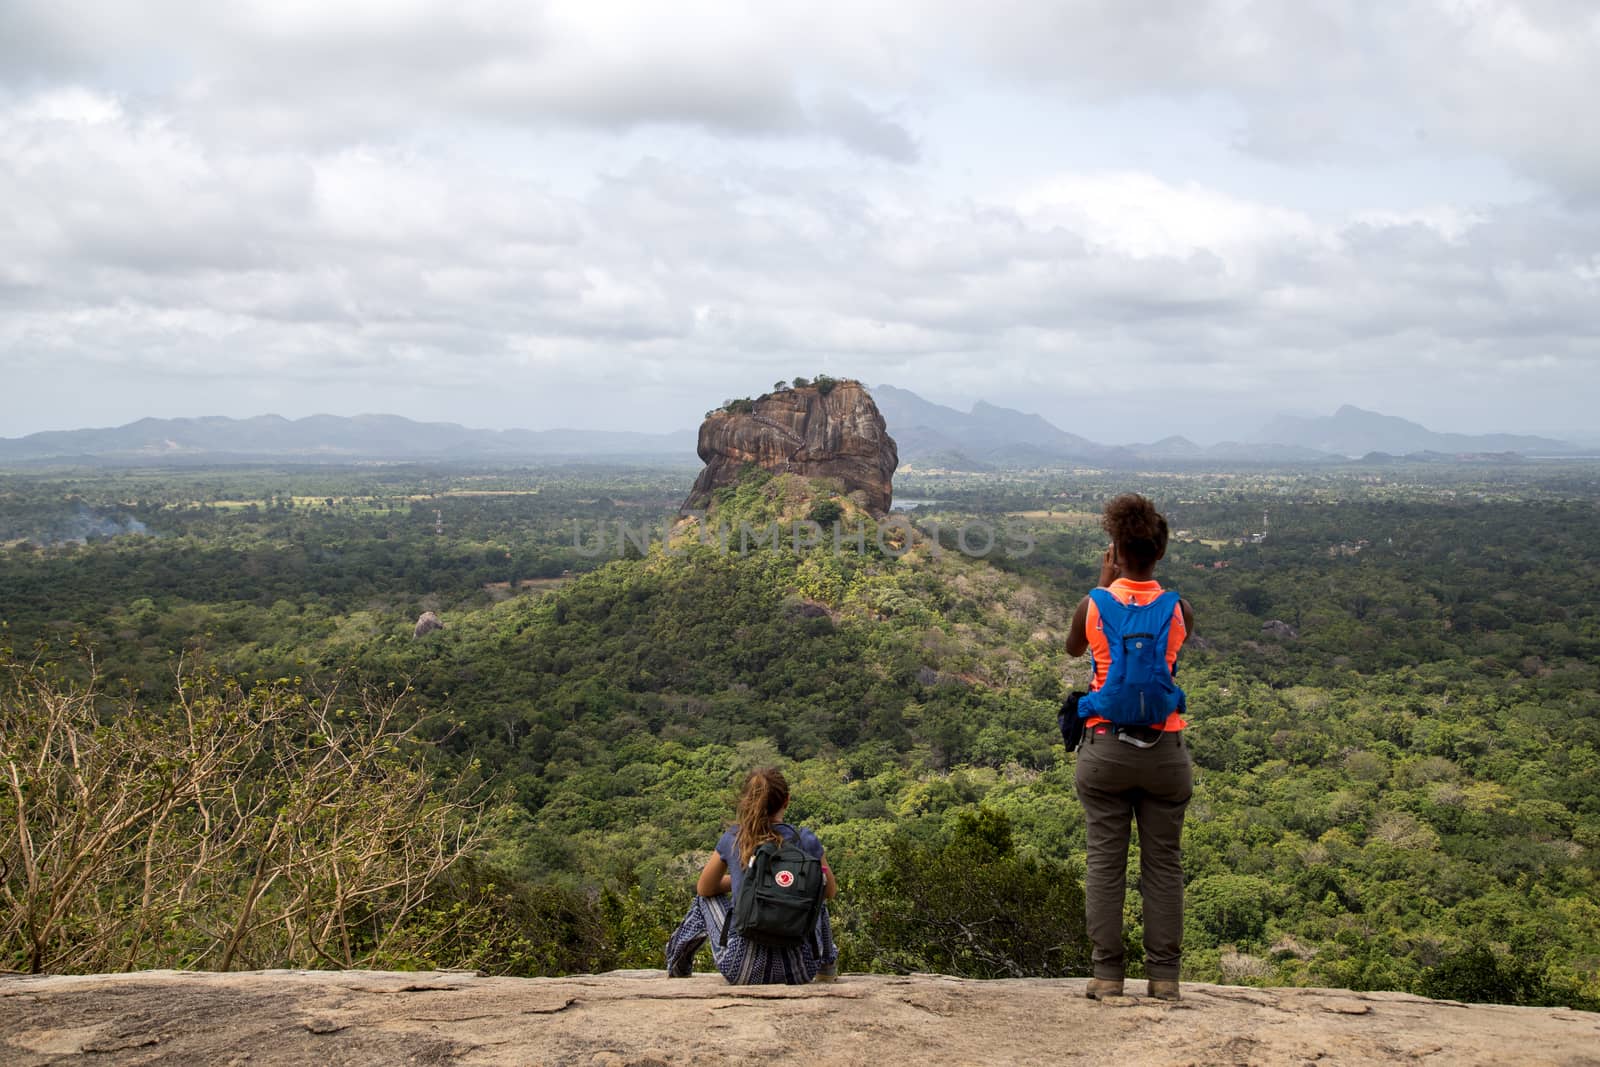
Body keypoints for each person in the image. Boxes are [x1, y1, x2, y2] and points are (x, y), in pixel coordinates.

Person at [1065, 494, 1195, 1002]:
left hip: (1104, 749)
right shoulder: (1179, 608)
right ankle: (1164, 978)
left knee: (1104, 862)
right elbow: (1174, 655)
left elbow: (1075, 648)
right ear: (1159, 554)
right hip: (1165, 750)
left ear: (1114, 550)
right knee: (1163, 865)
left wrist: (1103, 584)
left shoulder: (1092, 605)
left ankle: (1107, 976)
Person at [665, 766, 840, 984]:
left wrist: (745, 881)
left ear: (747, 801)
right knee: (816, 889)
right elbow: (830, 891)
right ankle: (827, 966)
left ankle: (679, 966)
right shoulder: (806, 839)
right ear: (786, 801)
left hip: (741, 970)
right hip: (799, 970)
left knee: (702, 901)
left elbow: (705, 889)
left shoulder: (735, 838)